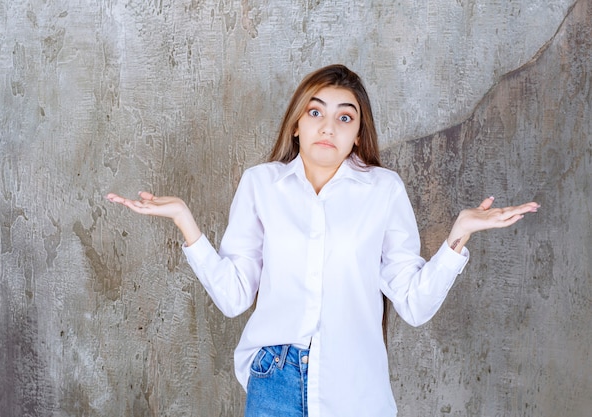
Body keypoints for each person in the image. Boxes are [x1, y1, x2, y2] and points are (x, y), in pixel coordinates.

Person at [106, 64, 539, 417]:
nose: (328, 127)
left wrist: (458, 236)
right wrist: (185, 221)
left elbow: (414, 303)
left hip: (355, 387)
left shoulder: (383, 191)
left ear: (357, 134)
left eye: (344, 117)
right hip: (273, 380)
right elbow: (235, 296)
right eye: (315, 113)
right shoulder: (261, 185)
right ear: (297, 124)